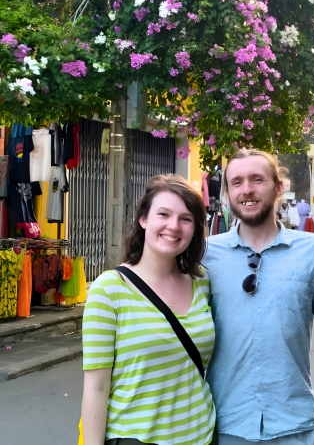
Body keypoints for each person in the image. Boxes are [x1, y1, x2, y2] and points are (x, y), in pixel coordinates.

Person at [203, 149, 314, 445]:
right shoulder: (205, 255)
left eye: (257, 179)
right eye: (237, 182)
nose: (247, 190)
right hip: (225, 426)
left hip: (295, 426)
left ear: (278, 187)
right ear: (228, 193)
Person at [81, 174, 217, 444]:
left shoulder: (202, 282)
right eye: (164, 214)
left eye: (186, 219)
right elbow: (96, 389)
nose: (174, 227)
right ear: (144, 219)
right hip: (136, 437)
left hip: (203, 436)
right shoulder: (109, 290)